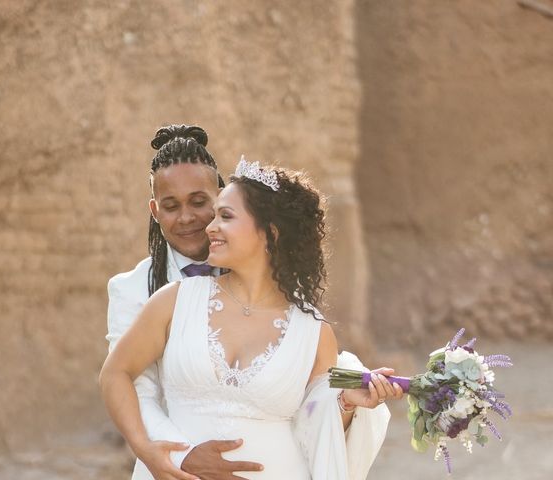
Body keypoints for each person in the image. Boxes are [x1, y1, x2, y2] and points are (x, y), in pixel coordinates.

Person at [101, 157, 404, 479]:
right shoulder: (175, 300)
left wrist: (346, 402)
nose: (210, 227)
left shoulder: (313, 331)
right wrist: (146, 449)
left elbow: (313, 426)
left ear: (270, 232)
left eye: (225, 217)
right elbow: (115, 373)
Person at [106, 125, 264, 479]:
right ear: (154, 210)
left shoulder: (260, 278)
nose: (187, 217)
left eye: (198, 201)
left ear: (221, 197)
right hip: (171, 468)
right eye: (171, 206)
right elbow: (136, 389)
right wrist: (184, 456)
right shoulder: (131, 290)